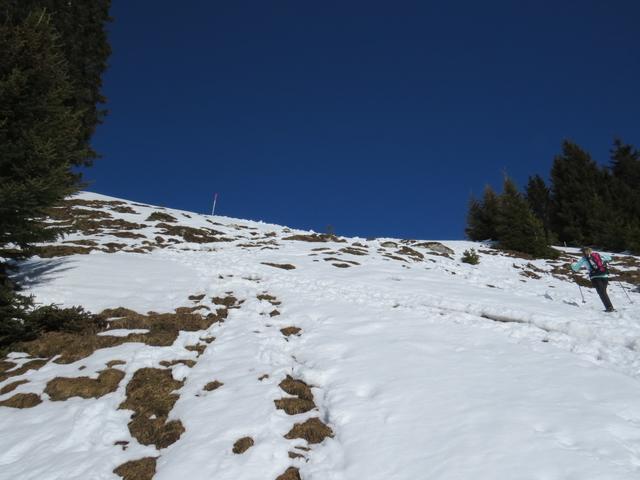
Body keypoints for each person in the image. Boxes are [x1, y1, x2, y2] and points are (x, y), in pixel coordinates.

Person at [571, 247, 615, 312]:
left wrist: (572, 263)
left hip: (595, 277)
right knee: (603, 292)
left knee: (602, 292)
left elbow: (575, 268)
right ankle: (610, 307)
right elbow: (610, 258)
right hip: (604, 276)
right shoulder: (598, 255)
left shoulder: (583, 259)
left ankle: (609, 308)